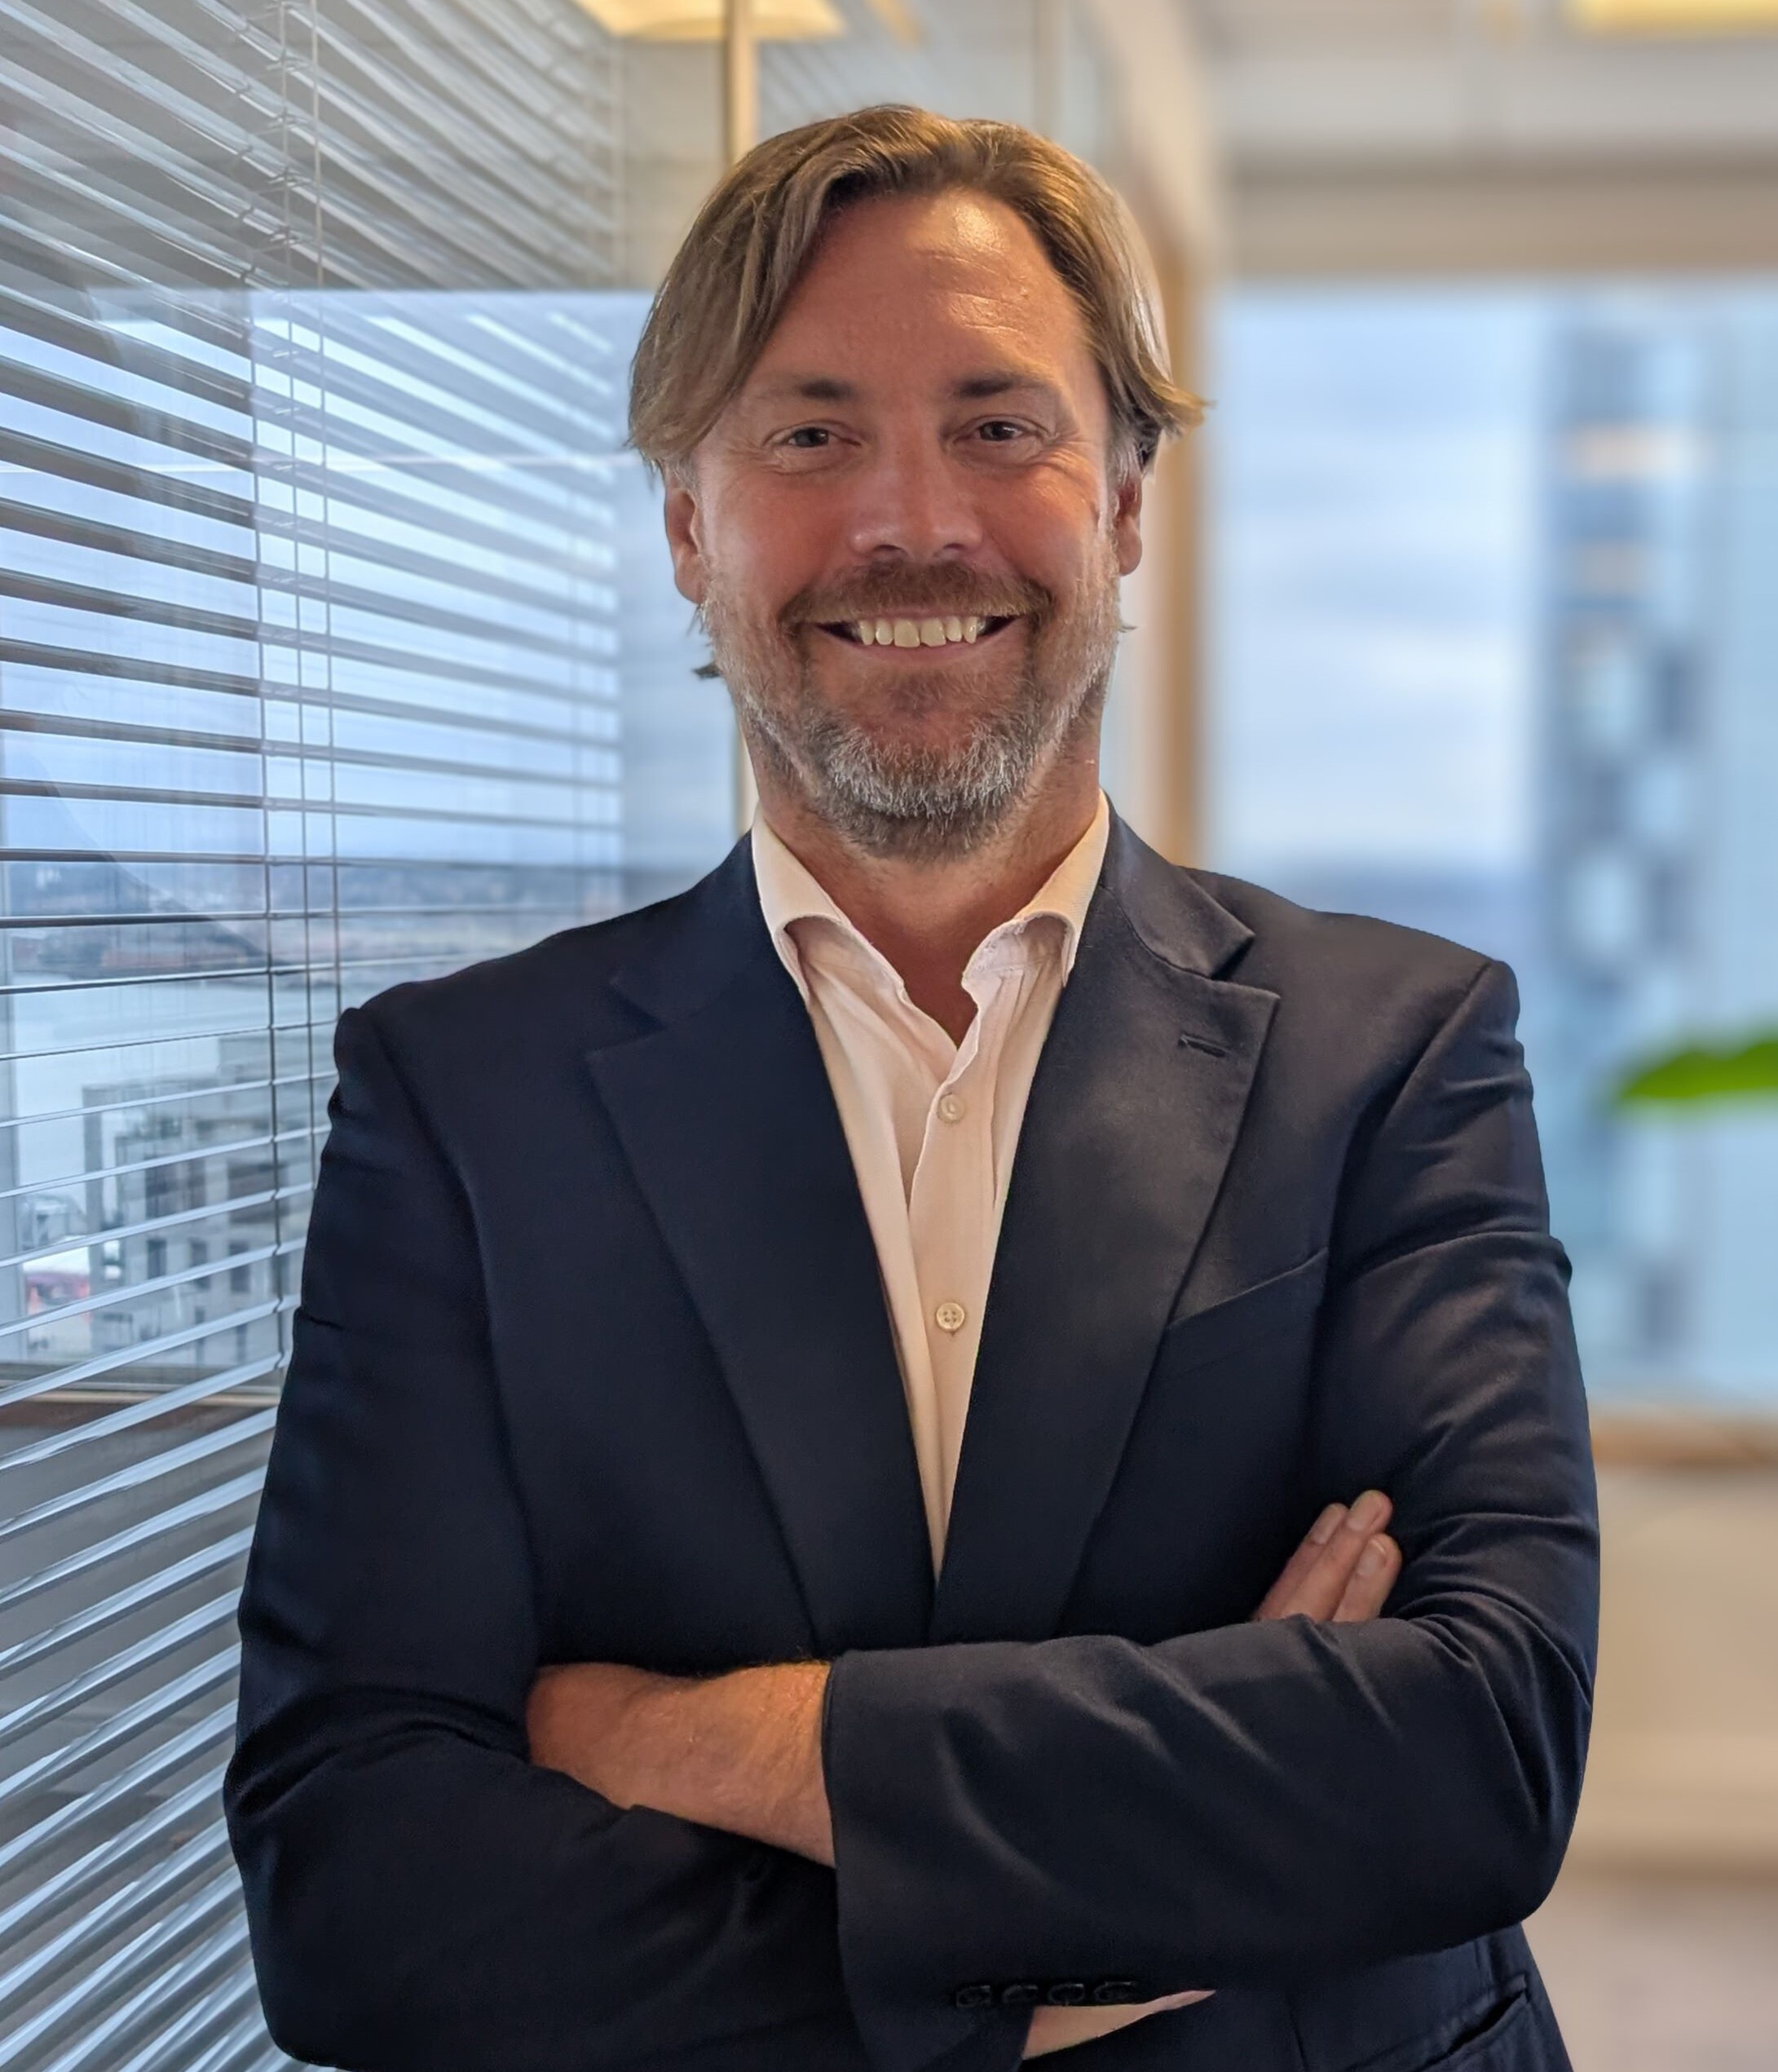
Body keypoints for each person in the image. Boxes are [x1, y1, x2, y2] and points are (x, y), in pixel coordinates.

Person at [226, 105, 1598, 2072]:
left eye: (998, 421)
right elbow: (356, 1887)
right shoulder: (462, 1102)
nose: (913, 522)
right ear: (689, 523)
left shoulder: (1395, 1048)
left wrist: (689, 1736)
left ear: (1123, 499)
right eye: (806, 434)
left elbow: (1476, 1752)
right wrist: (1073, 1914)